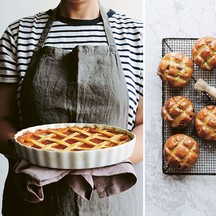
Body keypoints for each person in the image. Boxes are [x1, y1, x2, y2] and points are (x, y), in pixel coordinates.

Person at [0, 0, 143, 215]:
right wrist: (29, 152)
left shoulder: (136, 36)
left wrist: (102, 160)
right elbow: (2, 118)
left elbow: (145, 124)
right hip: (35, 203)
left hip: (112, 201)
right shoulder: (18, 34)